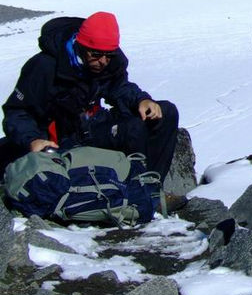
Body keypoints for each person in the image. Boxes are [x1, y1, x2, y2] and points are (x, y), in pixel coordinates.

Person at [1, 12, 181, 196]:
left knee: (165, 112)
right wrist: (33, 140)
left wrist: (142, 100)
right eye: (96, 54)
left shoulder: (110, 59)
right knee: (133, 130)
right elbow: (17, 113)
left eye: (108, 55)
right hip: (59, 140)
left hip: (92, 126)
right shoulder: (44, 67)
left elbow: (119, 87)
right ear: (80, 45)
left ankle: (151, 192)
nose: (103, 61)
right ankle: (134, 194)